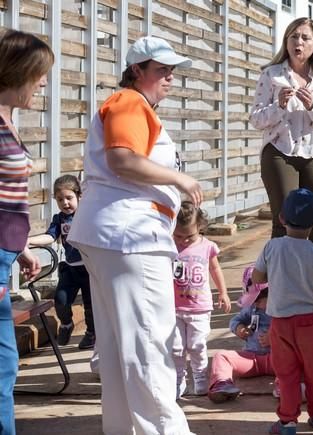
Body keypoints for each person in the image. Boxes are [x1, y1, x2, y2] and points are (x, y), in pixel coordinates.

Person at [67, 36, 201, 434]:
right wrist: (178, 178)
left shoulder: (133, 105)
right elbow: (122, 159)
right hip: (130, 236)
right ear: (136, 71)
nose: (170, 77)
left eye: (172, 70)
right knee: (149, 347)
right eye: (161, 69)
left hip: (115, 235)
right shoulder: (129, 102)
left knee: (119, 352)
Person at [250, 17, 313, 249]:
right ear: (286, 41)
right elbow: (256, 119)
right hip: (280, 153)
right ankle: (278, 280)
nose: (298, 42)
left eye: (305, 37)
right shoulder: (271, 75)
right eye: (293, 36)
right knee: (284, 220)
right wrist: (278, 105)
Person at [0, 29, 50, 435]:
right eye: (39, 74)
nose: (44, 82)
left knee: (5, 362)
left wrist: (22, 247)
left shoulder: (8, 118)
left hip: (6, 253)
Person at [252, 188, 313, 435]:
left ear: (281, 219)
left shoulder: (271, 247)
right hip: (311, 320)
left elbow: (257, 277)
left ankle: (287, 422)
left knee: (286, 374)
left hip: (282, 321)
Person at [29, 175, 95, 349]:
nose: (65, 203)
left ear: (79, 196)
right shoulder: (59, 219)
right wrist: (29, 241)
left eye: (69, 198)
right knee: (61, 300)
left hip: (90, 269)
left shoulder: (87, 215)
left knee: (91, 305)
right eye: (60, 199)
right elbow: (50, 237)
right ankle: (66, 324)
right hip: (71, 269)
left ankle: (91, 334)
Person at [172, 201, 230, 398]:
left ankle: (200, 376)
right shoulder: (169, 245)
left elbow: (215, 268)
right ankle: (178, 379)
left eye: (190, 236)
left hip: (199, 308)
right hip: (173, 308)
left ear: (200, 227)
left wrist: (222, 292)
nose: (184, 241)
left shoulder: (207, 247)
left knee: (196, 345)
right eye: (178, 236)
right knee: (176, 347)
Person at [207, 265, 274, 404]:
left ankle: (285, 387)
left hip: (278, 359)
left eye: (258, 300)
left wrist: (274, 337)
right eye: (252, 300)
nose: (255, 303)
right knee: (221, 356)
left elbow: (292, 333)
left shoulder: (284, 309)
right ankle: (222, 384)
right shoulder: (252, 308)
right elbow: (236, 319)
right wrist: (239, 328)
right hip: (252, 359)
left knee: (298, 360)